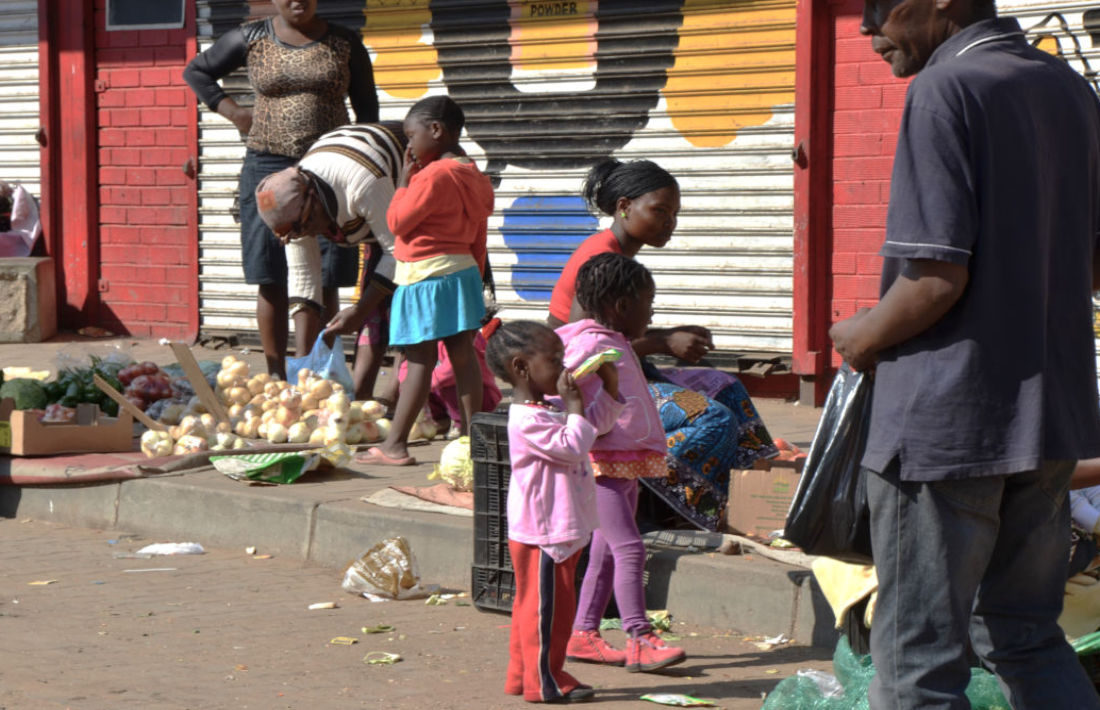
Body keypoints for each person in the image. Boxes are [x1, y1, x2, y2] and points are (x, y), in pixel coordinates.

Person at [829, 0, 1100, 706]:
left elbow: (933, 283)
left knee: (918, 660)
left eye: (878, 7)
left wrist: (860, 335)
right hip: (1047, 422)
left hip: (947, 425)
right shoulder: (1068, 87)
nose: (865, 27)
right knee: (1028, 636)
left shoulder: (946, 89)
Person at [549, 159, 777, 531]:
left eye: (674, 214)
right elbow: (585, 352)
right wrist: (662, 341)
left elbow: (615, 332)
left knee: (728, 388)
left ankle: (751, 498)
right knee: (713, 419)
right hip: (598, 389)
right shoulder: (600, 256)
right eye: (660, 211)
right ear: (624, 207)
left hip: (629, 372)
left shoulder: (619, 253)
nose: (669, 223)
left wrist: (667, 336)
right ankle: (654, 496)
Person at [183, 0, 378, 378]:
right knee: (269, 272)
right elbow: (198, 71)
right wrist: (236, 114)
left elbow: (367, 110)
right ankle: (276, 375)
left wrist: (362, 164)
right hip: (267, 165)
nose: (297, 1)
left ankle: (320, 373)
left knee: (327, 272)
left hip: (329, 171)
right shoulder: (251, 36)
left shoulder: (345, 41)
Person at [558, 252, 687, 673]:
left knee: (608, 551)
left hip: (624, 460)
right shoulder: (593, 343)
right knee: (629, 547)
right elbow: (562, 389)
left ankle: (583, 633)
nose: (652, 314)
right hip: (605, 461)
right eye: (648, 305)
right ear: (623, 307)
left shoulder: (613, 341)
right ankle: (640, 637)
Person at [485, 319, 622, 703]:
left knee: (536, 607)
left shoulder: (544, 408)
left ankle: (521, 676)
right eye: (554, 358)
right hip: (546, 531)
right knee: (548, 614)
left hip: (556, 526)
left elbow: (590, 430)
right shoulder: (527, 419)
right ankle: (545, 681)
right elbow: (573, 446)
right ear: (521, 367)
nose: (564, 367)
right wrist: (577, 405)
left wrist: (607, 391)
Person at [357, 96, 494, 466]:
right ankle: (470, 442)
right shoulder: (473, 174)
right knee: (464, 358)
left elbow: (398, 222)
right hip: (462, 272)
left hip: (424, 276)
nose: (409, 146)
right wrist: (475, 275)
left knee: (418, 360)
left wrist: (403, 182)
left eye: (411, 136)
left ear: (436, 130)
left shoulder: (433, 175)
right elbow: (478, 233)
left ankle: (395, 445)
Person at [253, 121, 406, 402]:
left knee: (404, 303)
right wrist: (304, 366)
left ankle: (395, 392)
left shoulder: (362, 183)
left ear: (313, 199)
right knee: (374, 303)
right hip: (378, 216)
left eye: (303, 228)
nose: (304, 236)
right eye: (292, 234)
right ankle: (361, 398)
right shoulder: (295, 209)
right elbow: (303, 278)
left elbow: (399, 252)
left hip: (405, 197)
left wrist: (359, 310)